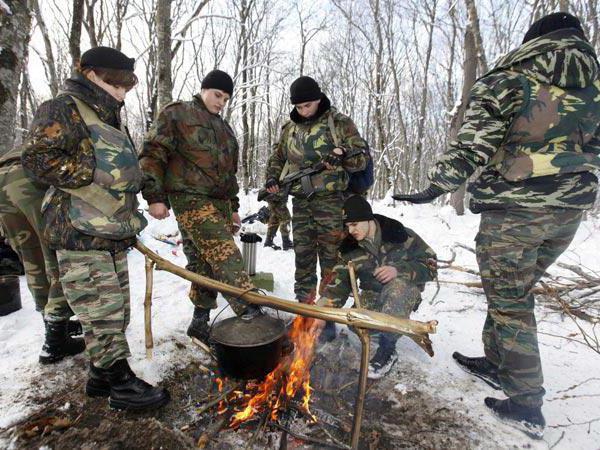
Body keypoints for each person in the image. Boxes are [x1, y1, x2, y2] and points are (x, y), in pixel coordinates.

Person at [393, 13, 600, 437]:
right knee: (512, 289)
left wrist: (437, 185)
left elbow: (474, 143)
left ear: (534, 41)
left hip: (515, 211)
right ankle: (496, 360)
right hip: (568, 212)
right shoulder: (594, 88)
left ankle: (526, 403)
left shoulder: (510, 78)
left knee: (510, 301)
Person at [22, 46, 169, 411]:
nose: (120, 93)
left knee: (116, 311)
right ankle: (121, 384)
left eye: (125, 87)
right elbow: (37, 159)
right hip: (78, 230)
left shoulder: (105, 116)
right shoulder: (62, 108)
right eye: (114, 84)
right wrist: (94, 176)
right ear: (90, 74)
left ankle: (100, 376)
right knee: (100, 310)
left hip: (110, 231)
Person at [140, 69, 259, 344]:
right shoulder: (178, 113)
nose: (221, 102)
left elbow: (230, 175)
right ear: (204, 89)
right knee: (224, 253)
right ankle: (251, 311)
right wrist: (154, 196)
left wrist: (233, 207)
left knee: (204, 261)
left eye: (226, 99)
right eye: (217, 95)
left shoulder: (225, 130)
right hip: (189, 198)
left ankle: (200, 320)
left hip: (219, 202)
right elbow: (153, 152)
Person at [264, 76, 369, 302]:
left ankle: (327, 312)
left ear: (318, 99)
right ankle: (305, 310)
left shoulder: (339, 123)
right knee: (303, 258)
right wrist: (272, 177)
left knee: (332, 259)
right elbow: (277, 157)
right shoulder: (289, 129)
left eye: (307, 105)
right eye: (298, 106)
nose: (303, 111)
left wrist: (341, 153)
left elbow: (361, 158)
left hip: (331, 202)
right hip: (300, 202)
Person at [317, 196, 437, 378]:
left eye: (355, 224)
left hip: (403, 292)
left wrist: (399, 270)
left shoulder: (401, 235)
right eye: (348, 226)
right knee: (355, 324)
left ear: (368, 218)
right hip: (372, 296)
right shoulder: (351, 248)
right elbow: (337, 286)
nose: (351, 230)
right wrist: (320, 313)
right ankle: (384, 326)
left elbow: (431, 265)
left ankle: (387, 350)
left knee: (397, 288)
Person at [0, 141, 84, 364]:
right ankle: (56, 341)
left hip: (2, 179)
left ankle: (54, 325)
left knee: (31, 260)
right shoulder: (71, 124)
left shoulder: (39, 133)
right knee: (57, 256)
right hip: (30, 179)